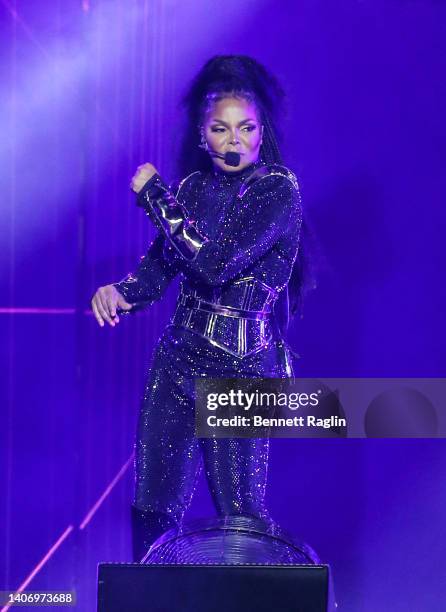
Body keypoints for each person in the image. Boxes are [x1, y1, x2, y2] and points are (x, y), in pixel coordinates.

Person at [91, 55, 304, 562]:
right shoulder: (192, 189)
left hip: (242, 368)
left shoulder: (276, 189)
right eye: (221, 129)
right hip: (177, 360)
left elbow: (214, 264)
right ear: (203, 136)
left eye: (246, 128)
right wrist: (122, 291)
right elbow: (162, 265)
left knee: (239, 512)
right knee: (153, 505)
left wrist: (156, 198)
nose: (235, 140)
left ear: (259, 132)